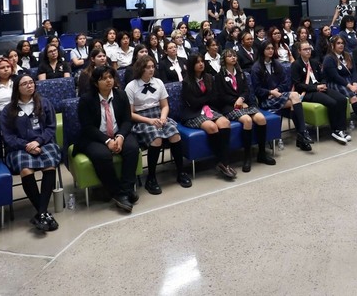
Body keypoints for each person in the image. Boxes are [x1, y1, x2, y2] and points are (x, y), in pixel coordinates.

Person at [0, 74, 62, 233]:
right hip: (19, 148)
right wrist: (27, 145)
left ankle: (41, 212)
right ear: (17, 88)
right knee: (26, 169)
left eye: (31, 83)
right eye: (24, 84)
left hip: (44, 143)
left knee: (50, 165)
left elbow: (50, 128)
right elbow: (8, 136)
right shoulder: (8, 110)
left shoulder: (44, 103)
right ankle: (44, 213)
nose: (29, 86)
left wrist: (38, 142)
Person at [76, 65, 140, 212]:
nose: (108, 81)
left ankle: (125, 189)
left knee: (132, 148)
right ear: (95, 83)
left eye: (110, 77)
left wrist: (121, 137)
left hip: (118, 133)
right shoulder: (86, 100)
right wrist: (107, 141)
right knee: (102, 155)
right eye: (103, 79)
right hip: (95, 137)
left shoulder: (121, 95)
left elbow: (127, 120)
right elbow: (87, 127)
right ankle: (119, 192)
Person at [124, 56, 191, 194]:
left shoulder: (158, 82)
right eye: (148, 67)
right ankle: (151, 178)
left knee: (175, 135)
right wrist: (149, 121)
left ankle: (181, 172)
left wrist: (163, 117)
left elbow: (165, 105)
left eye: (153, 67)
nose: (151, 69)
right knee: (157, 139)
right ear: (140, 69)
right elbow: (130, 114)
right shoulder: (131, 86)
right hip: (142, 118)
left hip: (159, 115)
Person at [214, 49, 274, 172]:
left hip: (244, 103)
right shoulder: (219, 76)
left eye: (234, 56)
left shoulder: (241, 73)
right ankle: (247, 157)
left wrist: (241, 99)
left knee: (261, 119)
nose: (233, 58)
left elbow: (246, 90)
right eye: (229, 56)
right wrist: (236, 101)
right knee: (247, 120)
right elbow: (220, 96)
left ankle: (261, 154)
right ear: (224, 60)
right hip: (229, 106)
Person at [179, 54, 237, 179]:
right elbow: (193, 103)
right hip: (193, 113)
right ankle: (222, 161)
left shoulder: (209, 77)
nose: (201, 64)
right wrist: (207, 98)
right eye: (197, 62)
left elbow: (215, 97)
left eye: (202, 62)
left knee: (225, 123)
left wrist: (205, 99)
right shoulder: (187, 81)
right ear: (191, 65)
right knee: (212, 127)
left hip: (209, 109)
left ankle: (223, 162)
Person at [252, 42, 314, 151]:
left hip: (278, 95)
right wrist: (270, 92)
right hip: (265, 99)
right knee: (295, 100)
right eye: (268, 48)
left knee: (295, 97)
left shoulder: (276, 64)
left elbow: (285, 83)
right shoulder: (256, 68)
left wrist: (276, 90)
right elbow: (256, 90)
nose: (271, 50)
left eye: (272, 48)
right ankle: (302, 134)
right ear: (262, 51)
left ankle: (302, 133)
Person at [291, 40, 350, 144]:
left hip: (320, 87)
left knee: (342, 99)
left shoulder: (314, 62)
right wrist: (316, 88)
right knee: (332, 102)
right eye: (305, 49)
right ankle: (335, 130)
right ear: (299, 51)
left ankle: (341, 129)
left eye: (309, 49)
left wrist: (322, 84)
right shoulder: (296, 65)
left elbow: (323, 77)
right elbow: (298, 85)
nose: (308, 51)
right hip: (308, 92)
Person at [322, 36, 357, 132]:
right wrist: (350, 87)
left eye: (342, 43)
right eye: (338, 43)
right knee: (353, 97)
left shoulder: (348, 55)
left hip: (350, 81)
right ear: (333, 45)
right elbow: (335, 76)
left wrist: (355, 83)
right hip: (336, 83)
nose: (341, 45)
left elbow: (354, 72)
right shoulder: (329, 58)